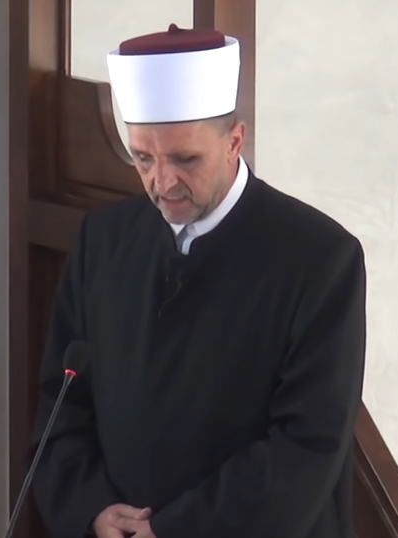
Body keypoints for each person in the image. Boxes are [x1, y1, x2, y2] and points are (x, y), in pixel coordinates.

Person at [29, 23, 367, 538]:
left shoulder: (320, 259)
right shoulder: (103, 240)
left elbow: (306, 446)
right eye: (143, 158)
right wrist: (91, 507)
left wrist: (173, 529)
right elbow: (62, 403)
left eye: (185, 159)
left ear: (234, 141)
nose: (162, 182)